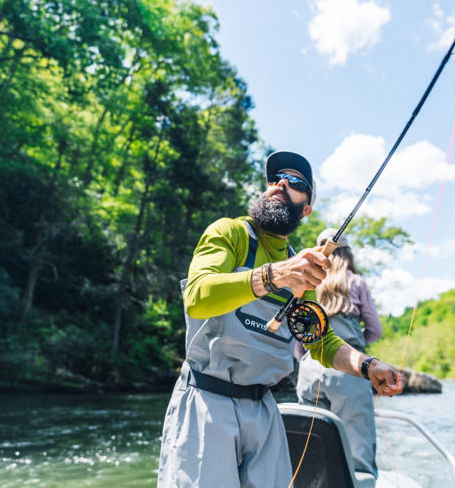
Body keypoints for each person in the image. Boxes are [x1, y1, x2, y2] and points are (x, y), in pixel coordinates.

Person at [157, 151, 405, 488]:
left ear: (307, 209)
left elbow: (320, 342)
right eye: (275, 179)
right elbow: (198, 296)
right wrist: (273, 276)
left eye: (296, 182)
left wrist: (368, 366)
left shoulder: (300, 273)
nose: (281, 184)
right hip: (206, 402)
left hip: (264, 412)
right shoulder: (229, 234)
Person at [294, 228, 384, 479]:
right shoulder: (356, 282)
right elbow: (375, 330)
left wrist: (307, 360)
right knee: (358, 459)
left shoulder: (307, 284)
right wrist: (357, 351)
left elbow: (299, 340)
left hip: (310, 370)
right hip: (351, 370)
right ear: (347, 252)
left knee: (311, 453)